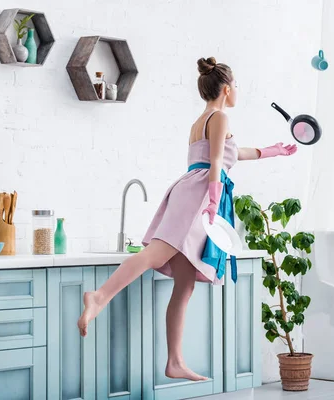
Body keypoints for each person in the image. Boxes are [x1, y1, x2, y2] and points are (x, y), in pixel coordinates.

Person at [77, 57, 297, 381]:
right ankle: (99, 297)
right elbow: (218, 161)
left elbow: (233, 153)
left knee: (184, 284)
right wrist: (211, 201)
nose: (237, 91)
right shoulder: (220, 116)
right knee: (153, 255)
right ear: (226, 88)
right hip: (198, 195)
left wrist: (272, 151)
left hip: (190, 189)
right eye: (235, 85)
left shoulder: (203, 119)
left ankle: (175, 361)